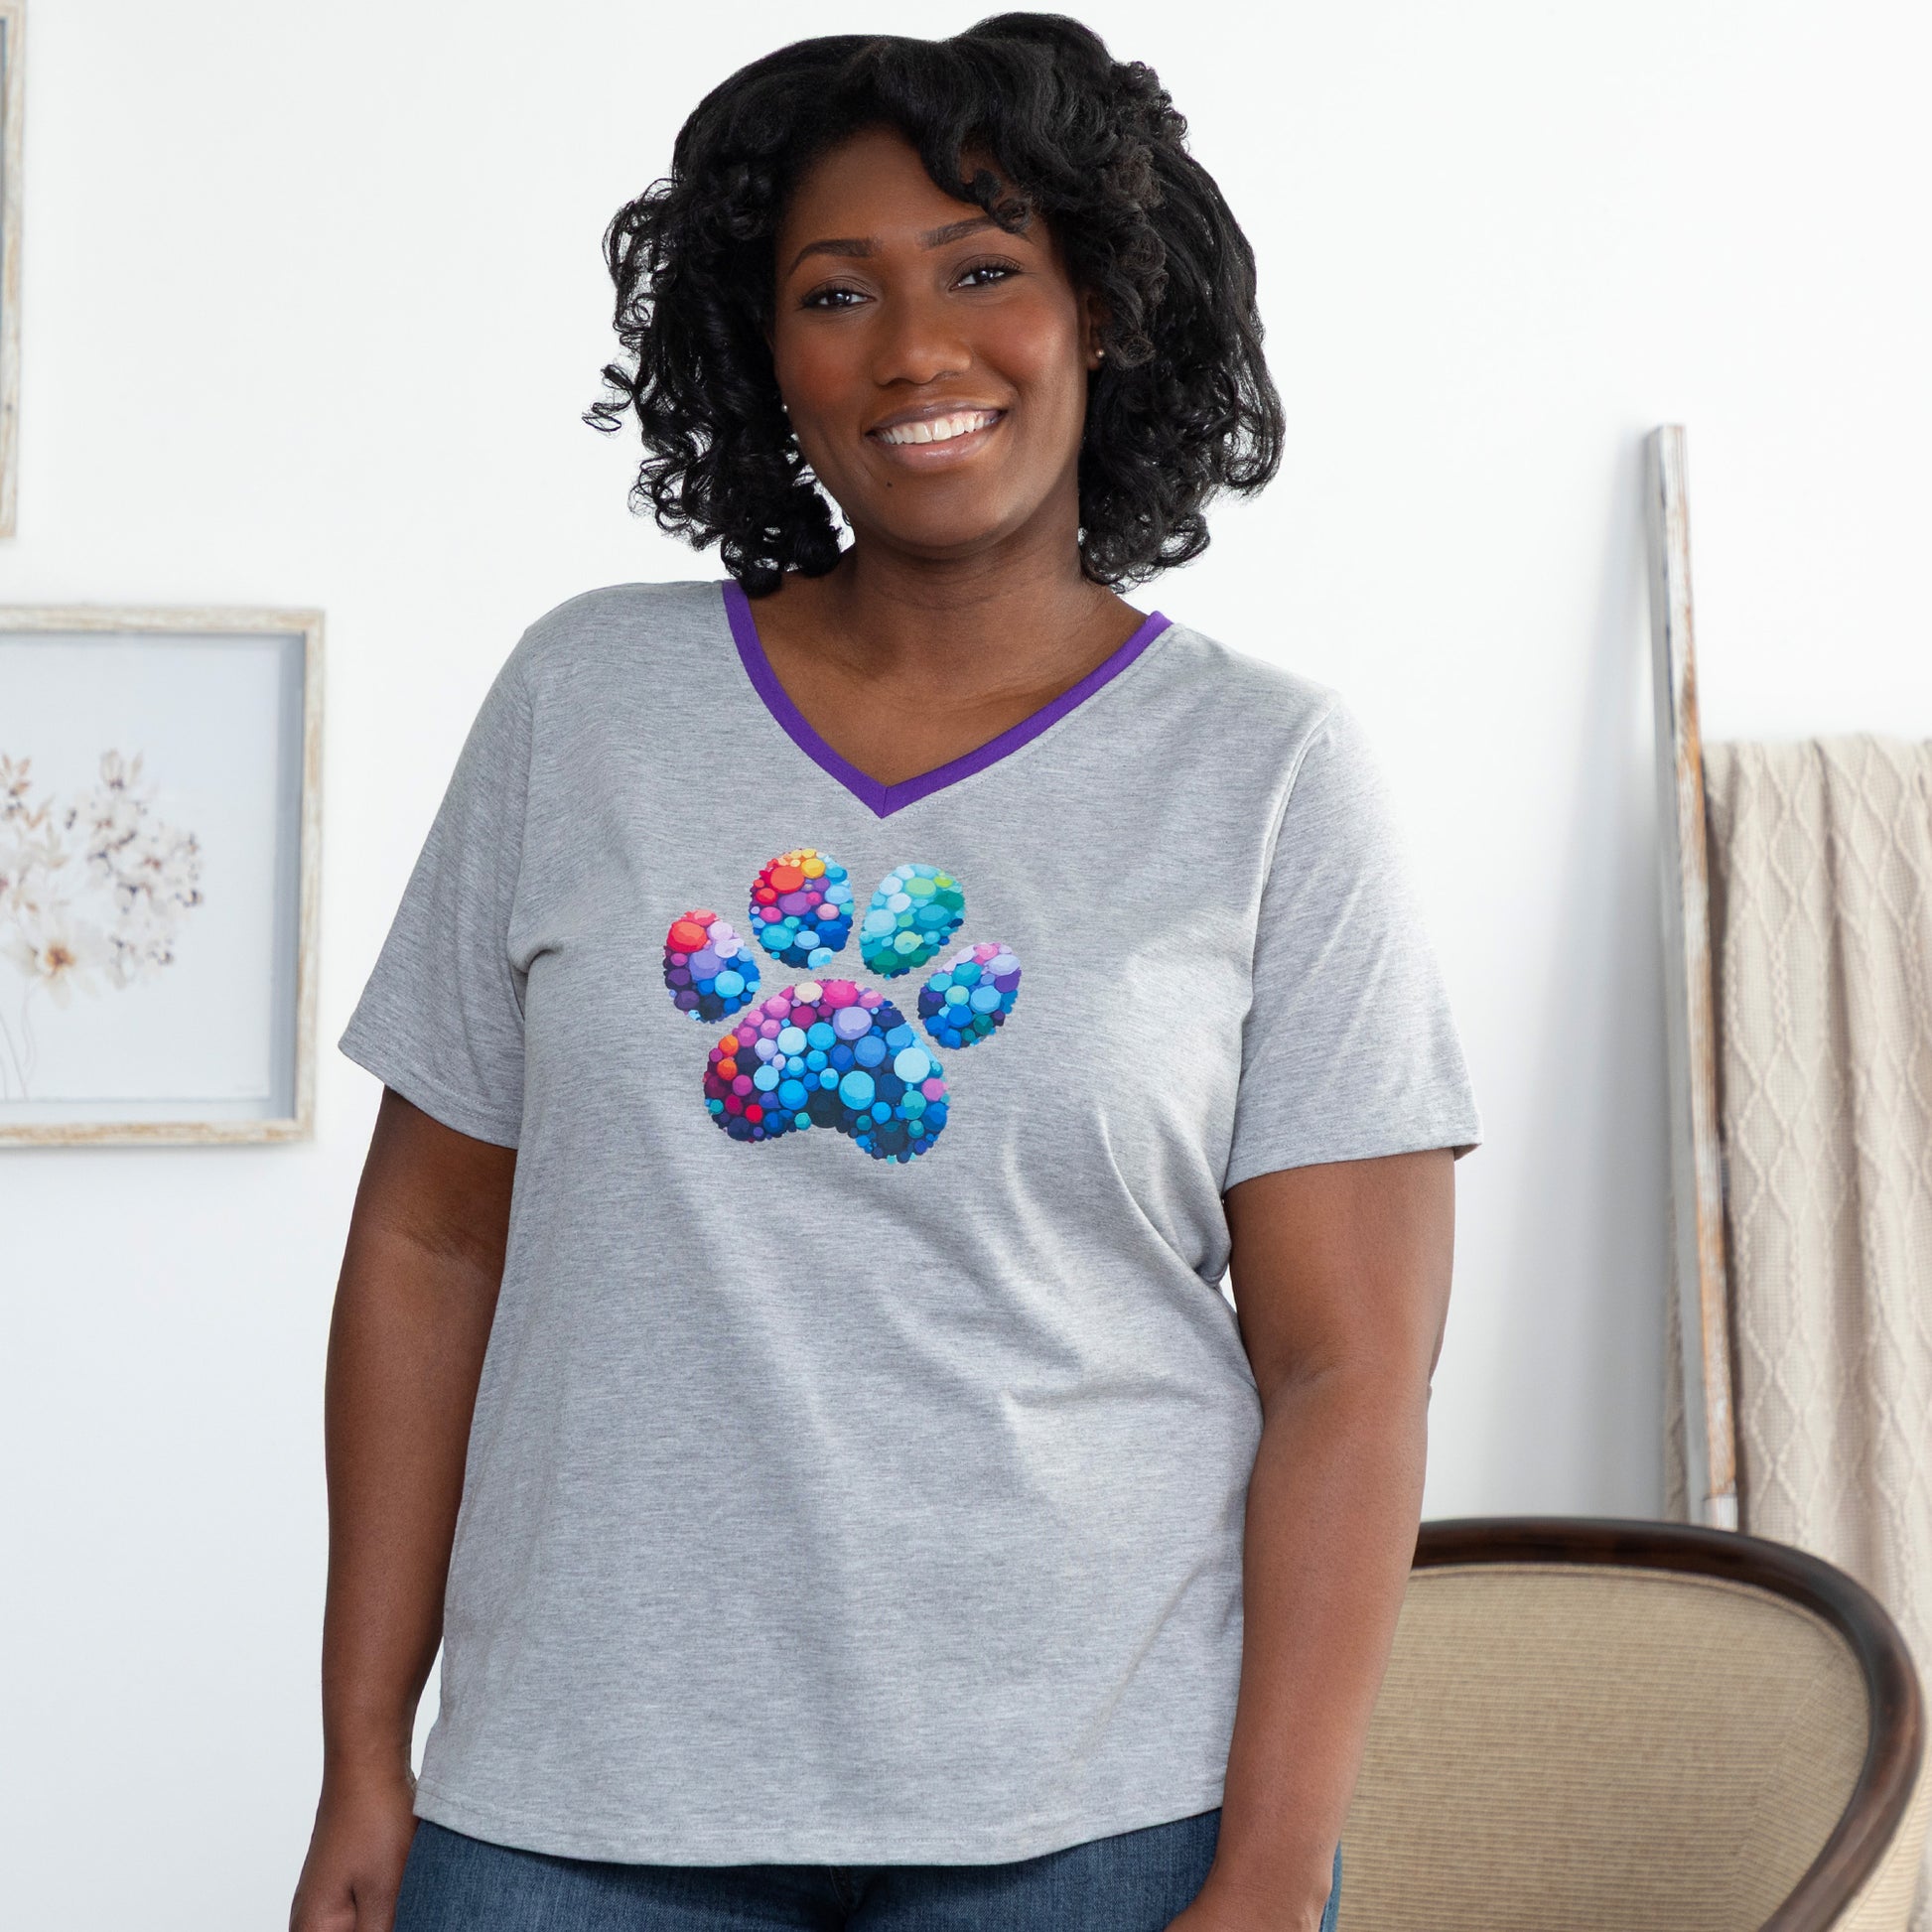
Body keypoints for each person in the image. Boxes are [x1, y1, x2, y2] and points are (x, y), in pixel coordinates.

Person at [290, 15, 1480, 1932]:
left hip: (1100, 1815)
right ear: (762, 354)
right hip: (572, 1801)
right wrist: (364, 1750)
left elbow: (1348, 1365)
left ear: (1106, 308)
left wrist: (1270, 1863)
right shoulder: (584, 700)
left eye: (984, 270)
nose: (915, 349)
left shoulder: (1265, 770)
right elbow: (429, 1242)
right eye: (836, 293)